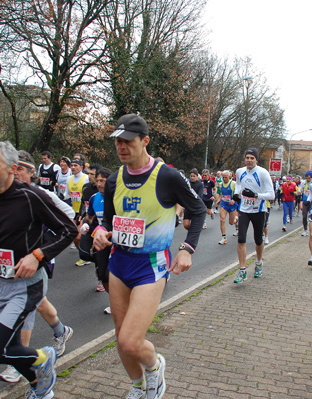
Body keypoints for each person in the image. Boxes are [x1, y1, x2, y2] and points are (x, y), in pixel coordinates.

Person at [93, 114, 206, 399]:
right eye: (117, 141)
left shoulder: (166, 175)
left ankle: (155, 368)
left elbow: (199, 209)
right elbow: (109, 219)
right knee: (121, 338)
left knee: (131, 341)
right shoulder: (114, 178)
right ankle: (138, 386)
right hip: (119, 263)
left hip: (151, 265)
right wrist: (101, 231)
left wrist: (186, 249)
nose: (121, 147)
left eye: (127, 141)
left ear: (144, 141)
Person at [0, 141, 77, 399]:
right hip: (1, 281)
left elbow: (68, 230)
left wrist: (37, 255)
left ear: (11, 169)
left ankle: (44, 357)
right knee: (10, 346)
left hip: (29, 283)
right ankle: (40, 388)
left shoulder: (32, 197)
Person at [0, 150, 76, 384]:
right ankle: (62, 331)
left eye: (20, 168)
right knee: (39, 303)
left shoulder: (42, 194)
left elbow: (69, 216)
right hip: (10, 263)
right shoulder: (2, 195)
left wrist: (44, 246)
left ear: (32, 172)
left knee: (26, 306)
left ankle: (18, 363)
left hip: (37, 259)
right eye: (13, 167)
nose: (16, 172)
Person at [233, 148, 275, 282]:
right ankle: (242, 270)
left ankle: (258, 263)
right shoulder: (240, 172)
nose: (249, 160)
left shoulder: (263, 173)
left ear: (256, 159)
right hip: (244, 209)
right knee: (241, 238)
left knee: (258, 239)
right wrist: (237, 193)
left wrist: (256, 195)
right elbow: (239, 184)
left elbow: (272, 195)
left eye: (252, 158)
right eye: (247, 157)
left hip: (259, 210)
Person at [80, 167, 112, 310]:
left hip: (116, 242)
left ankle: (119, 302)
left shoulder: (117, 197)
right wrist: (86, 225)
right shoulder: (94, 198)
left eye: (103, 181)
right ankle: (115, 300)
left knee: (114, 275)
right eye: (97, 181)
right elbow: (90, 217)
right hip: (102, 242)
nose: (99, 184)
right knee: (103, 276)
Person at [215, 170, 238, 245]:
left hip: (232, 205)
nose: (224, 179)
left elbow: (239, 193)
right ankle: (224, 238)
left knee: (231, 222)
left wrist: (234, 200)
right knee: (222, 219)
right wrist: (219, 199)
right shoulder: (221, 184)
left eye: (226, 177)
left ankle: (236, 220)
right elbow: (221, 193)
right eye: (223, 177)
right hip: (224, 204)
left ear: (229, 177)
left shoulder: (233, 184)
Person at [299, 171, 312, 236]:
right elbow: (300, 189)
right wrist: (299, 191)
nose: (308, 179)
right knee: (304, 216)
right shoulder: (303, 182)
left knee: (311, 217)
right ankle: (305, 230)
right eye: (307, 178)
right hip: (305, 201)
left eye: (309, 178)